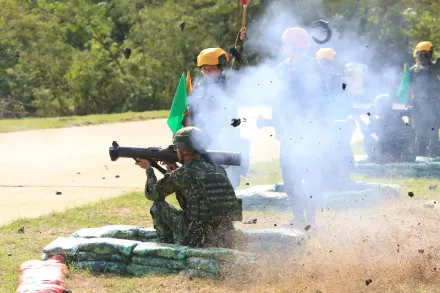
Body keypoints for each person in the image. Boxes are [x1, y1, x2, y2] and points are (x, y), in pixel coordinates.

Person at [135, 127, 243, 248]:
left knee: (158, 206)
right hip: (224, 235)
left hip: (197, 237)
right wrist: (174, 172)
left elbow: (152, 194)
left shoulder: (183, 173)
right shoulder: (217, 168)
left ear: (184, 151)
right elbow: (197, 190)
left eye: (176, 148)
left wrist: (148, 169)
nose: (176, 151)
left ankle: (166, 249)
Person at [183, 27, 250, 190]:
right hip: (202, 143)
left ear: (221, 69)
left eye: (211, 69)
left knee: (227, 185)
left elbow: (239, 64)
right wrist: (187, 120)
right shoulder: (196, 87)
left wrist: (239, 43)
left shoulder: (229, 84)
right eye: (204, 70)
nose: (206, 72)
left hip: (225, 142)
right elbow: (189, 112)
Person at [272, 27, 325, 227]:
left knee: (310, 175)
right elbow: (276, 100)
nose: (284, 47)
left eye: (286, 43)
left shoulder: (314, 67)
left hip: (308, 129)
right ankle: (298, 216)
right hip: (288, 131)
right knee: (290, 175)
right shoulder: (282, 68)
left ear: (293, 45)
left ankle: (310, 218)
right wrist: (278, 124)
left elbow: (320, 100)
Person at [408, 41, 440, 157]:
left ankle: (434, 155)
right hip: (418, 106)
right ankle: (420, 156)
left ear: (431, 55)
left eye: (426, 54)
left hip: (434, 105)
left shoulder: (436, 68)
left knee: (433, 132)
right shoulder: (412, 71)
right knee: (419, 132)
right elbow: (406, 88)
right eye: (421, 54)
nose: (423, 57)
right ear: (416, 54)